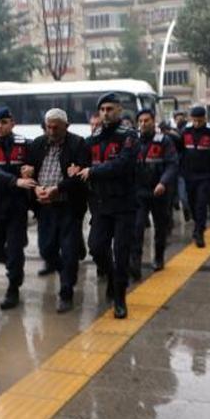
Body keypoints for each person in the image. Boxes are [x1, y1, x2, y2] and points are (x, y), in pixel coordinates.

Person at [77, 92, 139, 319]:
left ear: (119, 111)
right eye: (102, 110)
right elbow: (81, 162)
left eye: (110, 109)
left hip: (124, 204)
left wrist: (93, 171)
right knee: (96, 247)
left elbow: (122, 164)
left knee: (121, 252)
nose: (105, 113)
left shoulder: (129, 136)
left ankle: (120, 298)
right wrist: (75, 169)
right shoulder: (93, 137)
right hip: (101, 205)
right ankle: (112, 277)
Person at [22, 109, 89, 313]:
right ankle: (68, 268)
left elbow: (81, 177)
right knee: (46, 248)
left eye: (56, 127)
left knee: (68, 251)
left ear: (66, 127)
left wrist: (57, 189)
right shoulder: (37, 144)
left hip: (68, 205)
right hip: (45, 207)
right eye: (48, 127)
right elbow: (28, 170)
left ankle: (66, 291)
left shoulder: (78, 144)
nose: (51, 131)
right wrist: (35, 187)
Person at [0, 107, 35, 310]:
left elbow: (35, 162)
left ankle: (13, 286)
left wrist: (31, 168)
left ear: (13, 123)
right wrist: (14, 181)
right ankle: (14, 264)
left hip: (17, 206)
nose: (0, 126)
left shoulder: (24, 144)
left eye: (4, 122)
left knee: (15, 248)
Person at [129, 109, 178, 280]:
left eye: (147, 120)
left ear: (153, 121)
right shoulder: (132, 142)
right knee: (137, 228)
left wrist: (163, 183)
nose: (143, 124)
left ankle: (158, 257)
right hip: (139, 192)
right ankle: (135, 263)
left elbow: (172, 164)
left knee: (160, 227)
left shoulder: (164, 141)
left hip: (159, 192)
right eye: (140, 121)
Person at [180, 106, 210, 248]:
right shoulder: (185, 131)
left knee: (201, 204)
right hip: (189, 174)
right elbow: (179, 150)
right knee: (191, 203)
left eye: (199, 121)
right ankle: (197, 223)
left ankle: (200, 232)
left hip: (206, 176)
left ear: (204, 119)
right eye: (194, 120)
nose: (196, 123)